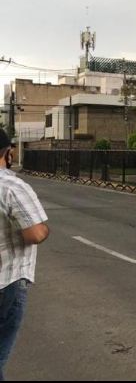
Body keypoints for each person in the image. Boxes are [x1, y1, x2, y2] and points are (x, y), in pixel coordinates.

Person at [0, 129, 49, 380]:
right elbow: (35, 234)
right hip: (6, 282)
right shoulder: (11, 186)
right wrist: (45, 229)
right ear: (7, 152)